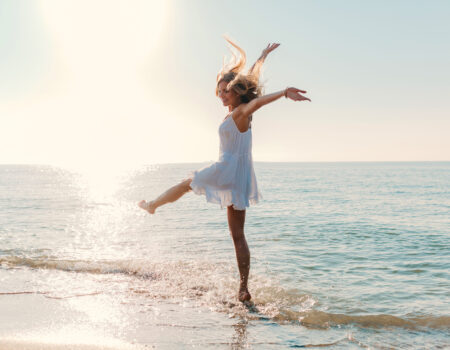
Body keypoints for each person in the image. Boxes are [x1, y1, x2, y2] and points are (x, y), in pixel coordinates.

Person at [139, 38, 310, 303]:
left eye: (225, 91)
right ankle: (243, 289)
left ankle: (152, 205)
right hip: (240, 176)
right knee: (237, 235)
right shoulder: (237, 110)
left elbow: (258, 101)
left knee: (189, 182)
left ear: (237, 93)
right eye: (219, 91)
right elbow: (250, 80)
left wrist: (284, 92)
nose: (221, 95)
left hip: (227, 167)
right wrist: (262, 56)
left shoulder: (241, 111)